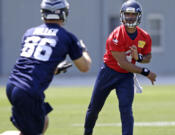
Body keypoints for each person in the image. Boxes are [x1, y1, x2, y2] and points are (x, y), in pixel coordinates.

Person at [6, 0, 92, 135]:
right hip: (28, 91)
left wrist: (54, 68)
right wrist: (83, 49)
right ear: (64, 13)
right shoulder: (66, 37)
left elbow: (33, 63)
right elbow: (85, 67)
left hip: (13, 85)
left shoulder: (30, 32)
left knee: (43, 121)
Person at [83, 1, 157, 135]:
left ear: (138, 16)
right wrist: (146, 72)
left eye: (133, 14)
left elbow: (148, 57)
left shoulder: (144, 36)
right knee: (94, 107)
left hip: (126, 76)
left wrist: (138, 57)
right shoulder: (116, 36)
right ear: (122, 15)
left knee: (126, 109)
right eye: (127, 14)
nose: (129, 17)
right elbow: (122, 63)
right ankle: (87, 132)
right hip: (108, 72)